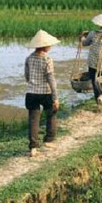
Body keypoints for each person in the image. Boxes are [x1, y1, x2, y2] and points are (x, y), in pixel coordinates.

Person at [24, 29, 61, 158]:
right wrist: (55, 98)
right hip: (45, 92)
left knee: (33, 120)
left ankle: (33, 147)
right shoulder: (47, 59)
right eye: (49, 44)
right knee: (51, 114)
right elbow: (51, 79)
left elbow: (27, 76)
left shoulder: (29, 58)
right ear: (45, 46)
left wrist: (34, 83)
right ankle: (49, 140)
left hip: (31, 93)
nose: (50, 46)